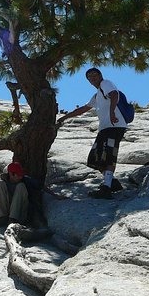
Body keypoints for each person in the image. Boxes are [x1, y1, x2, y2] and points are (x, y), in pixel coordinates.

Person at [57, 67, 128, 199]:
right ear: (88, 81)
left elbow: (114, 95)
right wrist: (64, 118)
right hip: (105, 128)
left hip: (115, 125)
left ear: (101, 75)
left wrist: (112, 112)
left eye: (95, 74)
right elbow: (83, 109)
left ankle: (106, 188)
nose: (93, 77)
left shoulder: (106, 84)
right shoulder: (97, 95)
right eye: (90, 76)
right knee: (94, 158)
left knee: (109, 156)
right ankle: (112, 182)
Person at [0, 162, 64, 229]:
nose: (20, 177)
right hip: (8, 211)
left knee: (21, 186)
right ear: (11, 174)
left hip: (21, 213)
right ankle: (2, 218)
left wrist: (55, 195)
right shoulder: (4, 181)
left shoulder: (26, 180)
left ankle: (13, 219)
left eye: (21, 175)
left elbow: (41, 186)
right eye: (18, 175)